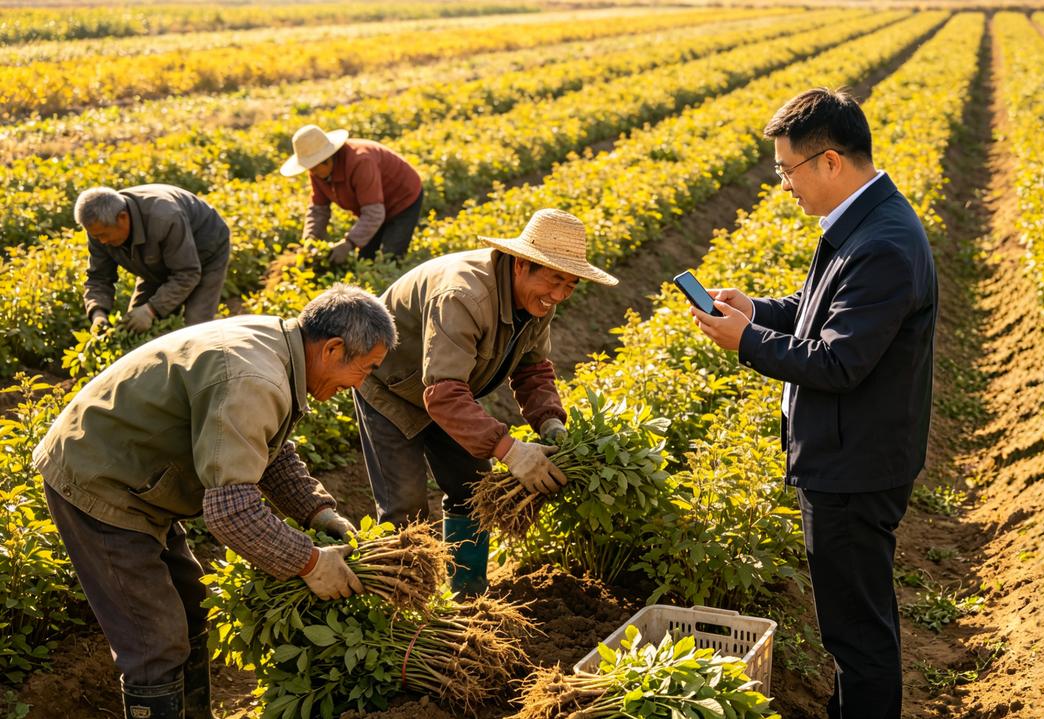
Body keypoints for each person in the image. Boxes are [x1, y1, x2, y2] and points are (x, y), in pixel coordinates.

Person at [34, 285, 397, 719]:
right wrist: (311, 563)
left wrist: (319, 512)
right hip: (99, 480)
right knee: (155, 639)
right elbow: (232, 513)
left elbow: (269, 450)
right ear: (334, 348)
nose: (364, 383)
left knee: (191, 607)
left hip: (142, 478)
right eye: (367, 368)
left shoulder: (282, 349)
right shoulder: (254, 378)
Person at [689, 87, 937, 719]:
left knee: (858, 636)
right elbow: (823, 315)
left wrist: (747, 341)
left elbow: (838, 361)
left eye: (787, 170)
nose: (784, 185)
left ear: (829, 161)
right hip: (848, 457)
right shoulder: (863, 223)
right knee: (852, 626)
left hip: (855, 469)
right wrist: (759, 311)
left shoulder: (881, 242)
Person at [354, 208, 618, 595]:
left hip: (452, 391)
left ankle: (468, 597)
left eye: (572, 284)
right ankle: (405, 611)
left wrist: (550, 422)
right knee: (406, 509)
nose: (560, 294)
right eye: (555, 279)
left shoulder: (538, 302)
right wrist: (510, 451)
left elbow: (532, 368)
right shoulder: (463, 295)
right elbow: (441, 393)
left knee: (472, 488)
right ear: (522, 264)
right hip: (391, 387)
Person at [76, 184, 231, 334]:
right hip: (156, 258)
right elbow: (98, 277)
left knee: (195, 326)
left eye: (104, 235)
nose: (102, 241)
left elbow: (187, 272)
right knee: (133, 327)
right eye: (96, 236)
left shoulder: (164, 217)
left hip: (206, 248)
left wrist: (151, 310)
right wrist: (98, 313)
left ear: (122, 218)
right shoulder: (99, 227)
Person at [280, 124, 424, 264]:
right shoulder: (317, 172)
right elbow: (318, 209)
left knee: (389, 258)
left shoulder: (360, 162)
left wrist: (348, 243)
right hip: (374, 206)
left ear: (327, 160)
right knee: (365, 259)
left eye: (314, 167)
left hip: (403, 199)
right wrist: (310, 237)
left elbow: (374, 213)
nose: (312, 173)